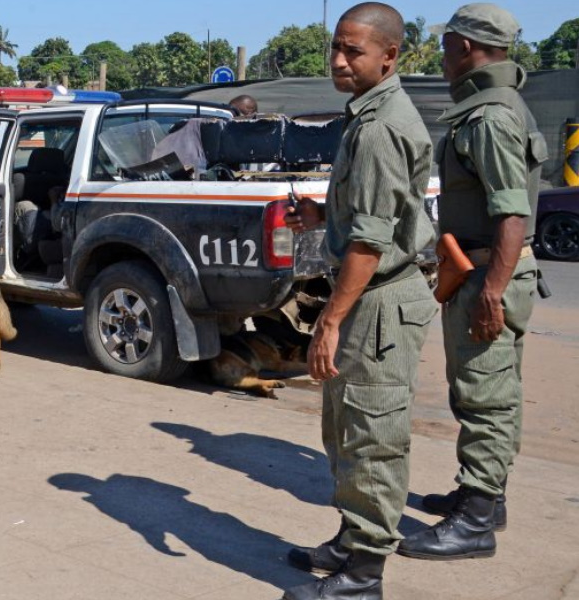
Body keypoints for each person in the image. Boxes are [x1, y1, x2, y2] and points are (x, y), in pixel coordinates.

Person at [281, 4, 436, 598]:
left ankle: (364, 573)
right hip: (371, 298)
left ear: (389, 56)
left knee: (372, 438)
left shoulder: (380, 127)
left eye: (355, 51)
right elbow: (375, 215)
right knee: (345, 431)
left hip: (378, 303)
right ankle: (351, 541)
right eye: (336, 49)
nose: (340, 61)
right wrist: (324, 216)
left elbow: (372, 243)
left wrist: (330, 320)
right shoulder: (367, 115)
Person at [397, 3, 546, 561]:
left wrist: (491, 290)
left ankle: (477, 520)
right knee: (488, 389)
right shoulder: (494, 106)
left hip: (489, 271)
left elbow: (511, 213)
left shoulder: (489, 117)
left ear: (466, 48)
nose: (440, 55)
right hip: (484, 267)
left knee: (485, 396)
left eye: (446, 45)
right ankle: (483, 496)